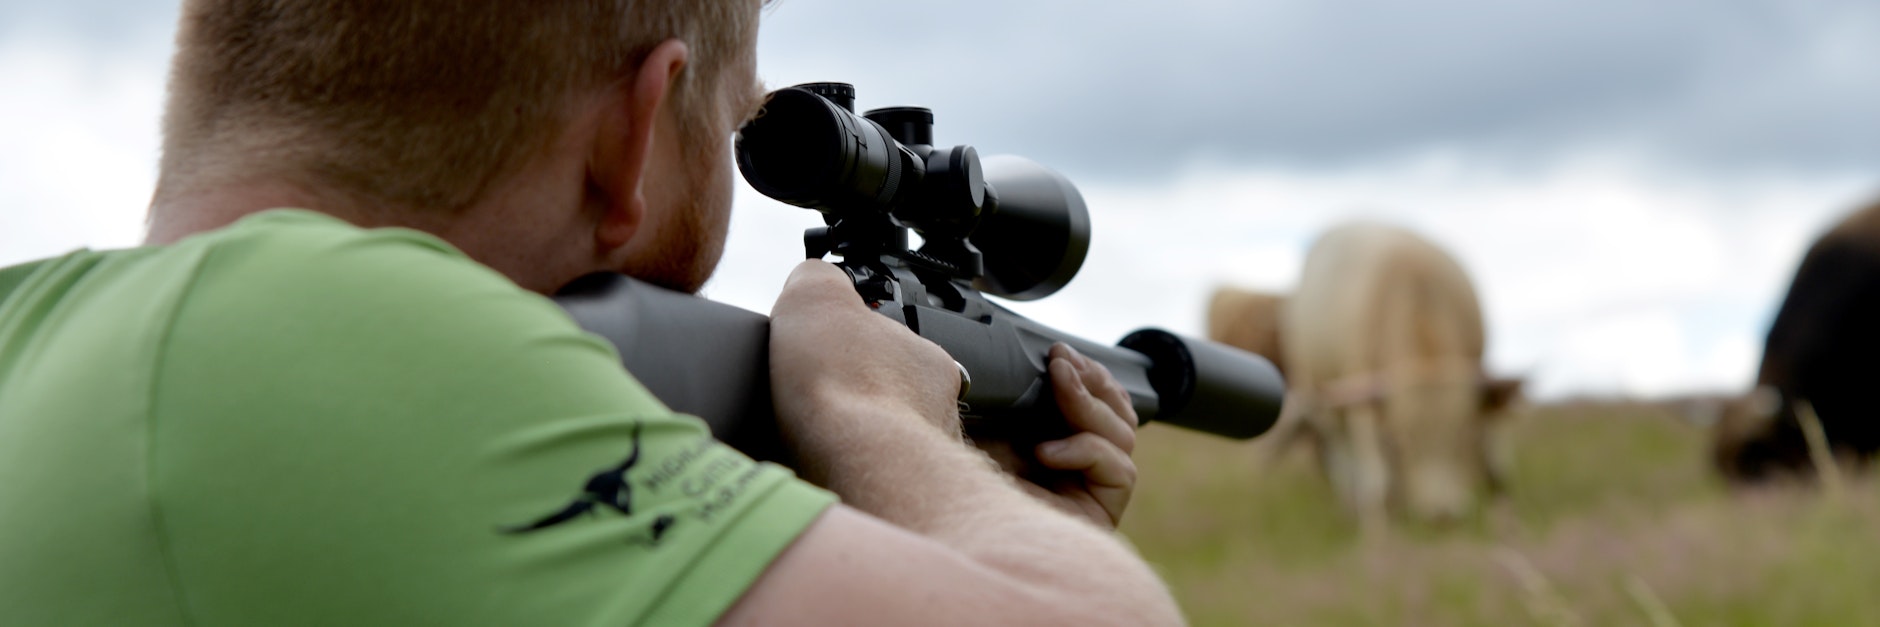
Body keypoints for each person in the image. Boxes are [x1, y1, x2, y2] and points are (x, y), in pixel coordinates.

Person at [0, 1, 1185, 625]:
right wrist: (870, 415)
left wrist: (990, 531)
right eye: (729, 126)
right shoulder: (367, 335)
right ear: (637, 131)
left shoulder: (36, 337)